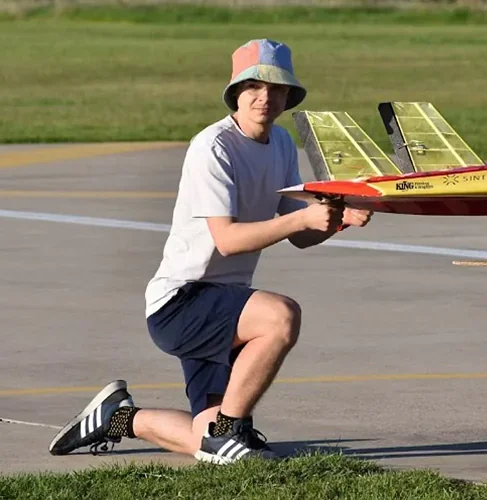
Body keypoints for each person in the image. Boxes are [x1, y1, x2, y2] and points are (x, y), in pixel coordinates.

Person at [49, 38, 372, 463]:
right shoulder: (213, 147)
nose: (264, 97)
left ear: (289, 96)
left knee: (208, 445)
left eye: (276, 88)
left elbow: (301, 233)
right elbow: (229, 239)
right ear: (235, 92)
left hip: (225, 306)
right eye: (253, 86)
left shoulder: (280, 145)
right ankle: (229, 430)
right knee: (280, 316)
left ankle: (118, 418)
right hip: (182, 302)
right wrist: (302, 218)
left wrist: (340, 216)